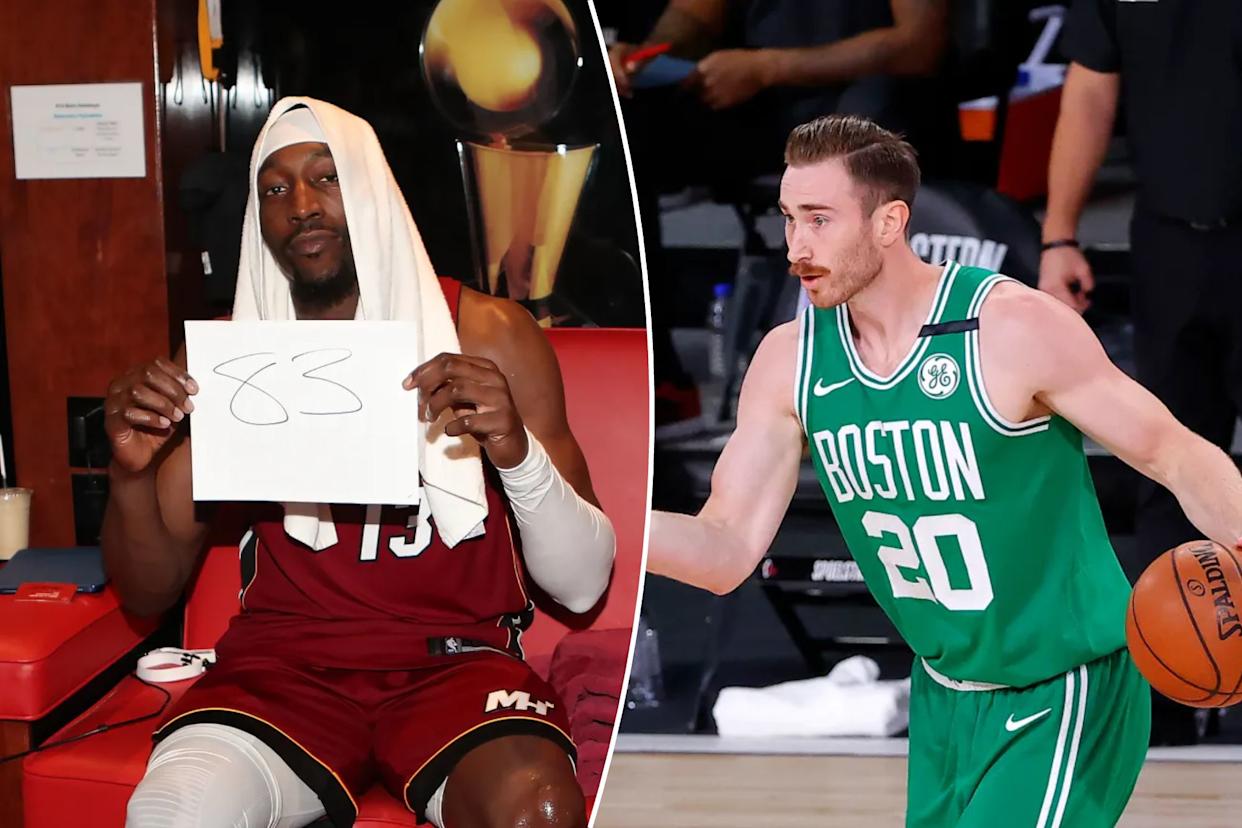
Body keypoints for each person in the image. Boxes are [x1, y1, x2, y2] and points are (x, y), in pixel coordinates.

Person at [647, 114, 1242, 825]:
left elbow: (1173, 452)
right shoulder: (790, 361)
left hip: (1066, 688)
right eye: (788, 219)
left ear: (889, 221)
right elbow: (725, 550)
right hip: (944, 697)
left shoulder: (1011, 327)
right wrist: (604, 519)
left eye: (819, 220)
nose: (796, 247)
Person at [103, 98, 616, 828]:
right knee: (173, 812)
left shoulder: (490, 334)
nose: (301, 205)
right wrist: (129, 474)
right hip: (283, 667)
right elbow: (148, 591)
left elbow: (582, 583)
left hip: (455, 663)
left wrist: (515, 451)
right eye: (275, 188)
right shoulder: (233, 354)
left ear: (373, 188)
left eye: (327, 178)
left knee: (537, 809)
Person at [1039, 0, 1242, 746]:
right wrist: (1060, 232)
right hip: (1169, 240)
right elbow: (1090, 89)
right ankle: (1167, 691)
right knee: (1160, 461)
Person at [607, 0, 956, 422]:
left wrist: (768, 67)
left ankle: (853, 379)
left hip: (869, 106)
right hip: (761, 106)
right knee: (618, 129)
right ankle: (657, 376)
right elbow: (696, 13)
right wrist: (650, 56)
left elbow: (920, 44)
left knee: (869, 117)